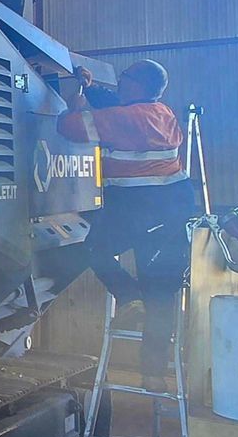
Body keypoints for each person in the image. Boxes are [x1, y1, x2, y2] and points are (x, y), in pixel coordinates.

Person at [57, 59, 194, 391]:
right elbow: (117, 106)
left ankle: (128, 296)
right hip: (172, 213)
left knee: (92, 247)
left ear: (139, 85)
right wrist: (91, 88)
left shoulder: (125, 119)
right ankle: (153, 373)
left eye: (125, 77)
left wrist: (76, 98)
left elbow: (70, 126)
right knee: (161, 294)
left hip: (137, 209)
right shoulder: (162, 112)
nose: (120, 81)